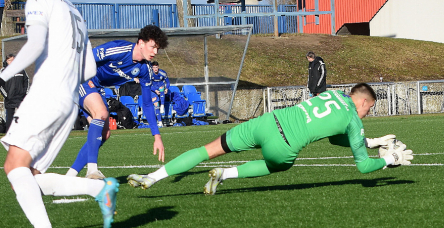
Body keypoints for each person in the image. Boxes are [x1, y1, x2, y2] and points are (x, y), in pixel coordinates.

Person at [0, 0, 119, 228]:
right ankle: (98, 189)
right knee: (30, 176)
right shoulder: (76, 13)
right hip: (69, 102)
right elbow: (90, 70)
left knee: (14, 167)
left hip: (47, 95)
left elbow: (36, 43)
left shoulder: (38, 1)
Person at [126, 84, 414, 194]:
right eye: (368, 109)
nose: (366, 114)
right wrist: (390, 158)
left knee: (207, 150)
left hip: (266, 122)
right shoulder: (353, 119)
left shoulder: (332, 94)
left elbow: (331, 136)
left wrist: (371, 141)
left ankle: (153, 176)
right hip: (283, 144)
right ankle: (227, 175)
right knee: (278, 165)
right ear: (363, 102)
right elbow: (363, 168)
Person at [66, 25, 170, 179]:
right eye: (153, 47)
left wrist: (157, 136)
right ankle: (92, 170)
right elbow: (85, 60)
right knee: (101, 113)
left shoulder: (145, 70)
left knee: (105, 133)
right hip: (81, 78)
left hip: (97, 86)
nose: (155, 52)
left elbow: (147, 104)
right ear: (141, 43)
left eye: (157, 49)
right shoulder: (118, 50)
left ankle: (70, 176)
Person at [0, 54, 29, 133]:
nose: (11, 62)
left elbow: (26, 80)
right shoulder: (3, 71)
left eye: (13, 60)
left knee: (22, 115)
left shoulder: (21, 69)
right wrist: (6, 95)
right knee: (9, 116)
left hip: (20, 97)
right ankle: (9, 133)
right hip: (10, 97)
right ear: (6, 61)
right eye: (9, 60)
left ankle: (23, 131)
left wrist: (24, 92)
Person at [149, 61, 170, 126]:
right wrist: (155, 90)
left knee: (161, 88)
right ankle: (160, 122)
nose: (155, 69)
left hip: (161, 87)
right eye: (154, 67)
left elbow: (168, 82)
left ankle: (162, 105)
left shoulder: (162, 73)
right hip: (153, 89)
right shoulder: (150, 74)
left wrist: (166, 88)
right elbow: (149, 84)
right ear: (152, 68)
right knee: (156, 105)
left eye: (156, 67)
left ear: (158, 67)